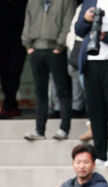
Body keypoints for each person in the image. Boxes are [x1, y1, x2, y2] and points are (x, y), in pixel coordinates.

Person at [22, 0, 75, 140]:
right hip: (36, 49)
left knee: (62, 90)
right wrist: (28, 46)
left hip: (55, 49)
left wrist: (59, 46)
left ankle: (64, 129)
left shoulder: (66, 2)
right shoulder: (32, 2)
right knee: (40, 92)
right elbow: (27, 22)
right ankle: (39, 130)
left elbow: (68, 23)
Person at [76, 0, 108, 166]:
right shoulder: (89, 2)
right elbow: (79, 31)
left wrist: (105, 36)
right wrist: (86, 19)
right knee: (95, 110)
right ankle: (100, 153)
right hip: (91, 62)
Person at [0, 0, 28, 118]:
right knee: (3, 73)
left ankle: (10, 104)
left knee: (14, 72)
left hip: (19, 39)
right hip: (1, 38)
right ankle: (10, 104)